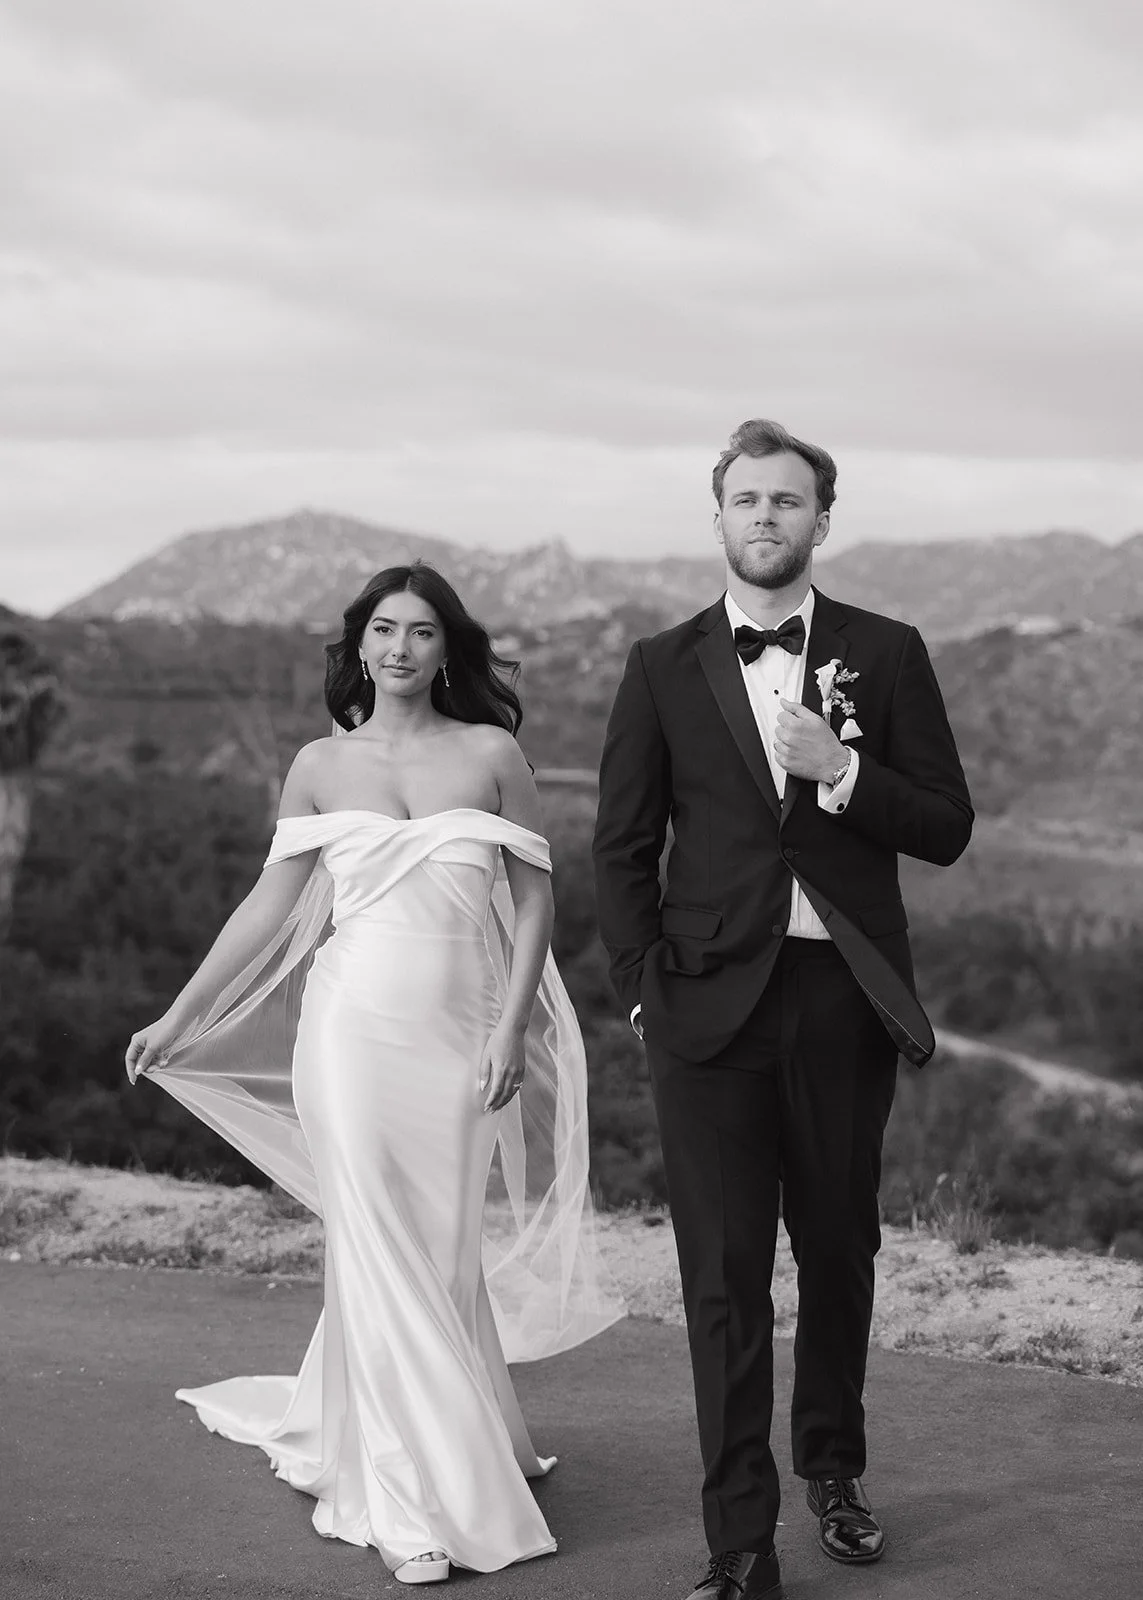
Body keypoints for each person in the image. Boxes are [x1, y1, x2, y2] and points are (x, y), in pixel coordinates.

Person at [125, 562, 620, 1585]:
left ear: (449, 649)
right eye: (385, 629)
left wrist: (510, 1025)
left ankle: (459, 1429)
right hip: (346, 1034)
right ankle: (406, 1506)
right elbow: (270, 907)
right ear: (360, 644)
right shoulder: (318, 764)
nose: (401, 648)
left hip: (455, 1035)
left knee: (437, 1254)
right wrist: (181, 1012)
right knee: (381, 1249)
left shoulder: (493, 754)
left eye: (423, 631)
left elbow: (535, 904)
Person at [592, 419, 973, 1600]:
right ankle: (739, 1541)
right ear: (719, 517)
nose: (767, 517)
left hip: (839, 1002)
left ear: (822, 519)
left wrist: (842, 772)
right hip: (704, 1012)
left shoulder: (890, 650)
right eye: (747, 499)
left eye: (789, 500)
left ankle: (835, 1472)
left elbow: (948, 827)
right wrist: (644, 989)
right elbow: (620, 843)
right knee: (721, 1275)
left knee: (841, 1252)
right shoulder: (661, 663)